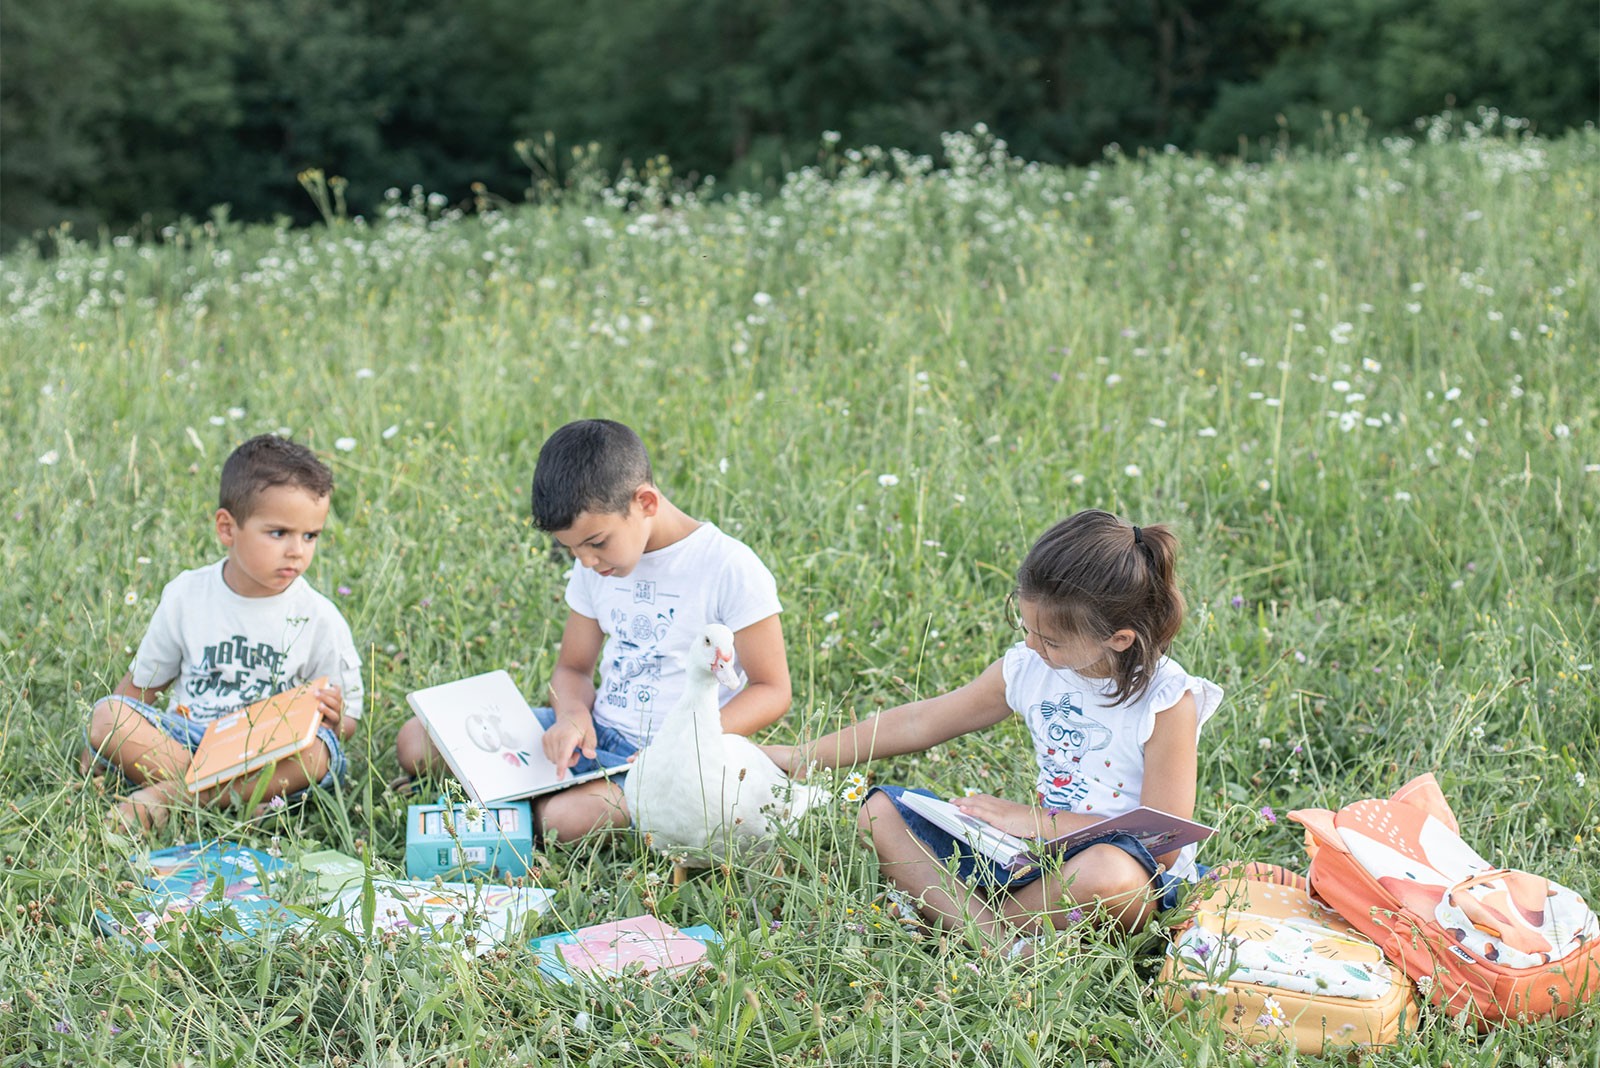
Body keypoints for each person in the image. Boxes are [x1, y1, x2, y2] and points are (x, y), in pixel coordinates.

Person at [769, 509, 1222, 947]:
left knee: (1107, 873)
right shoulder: (1029, 668)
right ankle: (1005, 941)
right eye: (1026, 627)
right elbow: (919, 721)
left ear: (1118, 638)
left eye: (1050, 640)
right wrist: (803, 755)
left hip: (1128, 880)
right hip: (1030, 859)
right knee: (880, 812)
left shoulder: (1167, 701)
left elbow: (1162, 843)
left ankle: (974, 929)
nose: (1030, 644)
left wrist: (1036, 821)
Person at [395, 419, 791, 843]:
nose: (586, 561)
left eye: (597, 543)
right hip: (597, 735)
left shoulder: (729, 567)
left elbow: (772, 689)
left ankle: (514, 796)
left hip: (673, 762)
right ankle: (521, 792)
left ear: (646, 502)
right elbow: (573, 669)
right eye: (572, 549)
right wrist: (572, 716)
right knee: (416, 740)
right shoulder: (595, 567)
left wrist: (685, 742)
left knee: (562, 819)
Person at [81, 435, 364, 831]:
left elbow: (347, 720)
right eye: (279, 533)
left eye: (310, 535)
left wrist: (334, 721)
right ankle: (234, 799)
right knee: (105, 715)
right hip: (186, 737)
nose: (297, 551)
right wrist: (97, 746)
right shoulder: (186, 595)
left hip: (267, 750)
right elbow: (141, 687)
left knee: (320, 755)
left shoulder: (319, 617)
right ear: (227, 528)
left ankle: (173, 797)